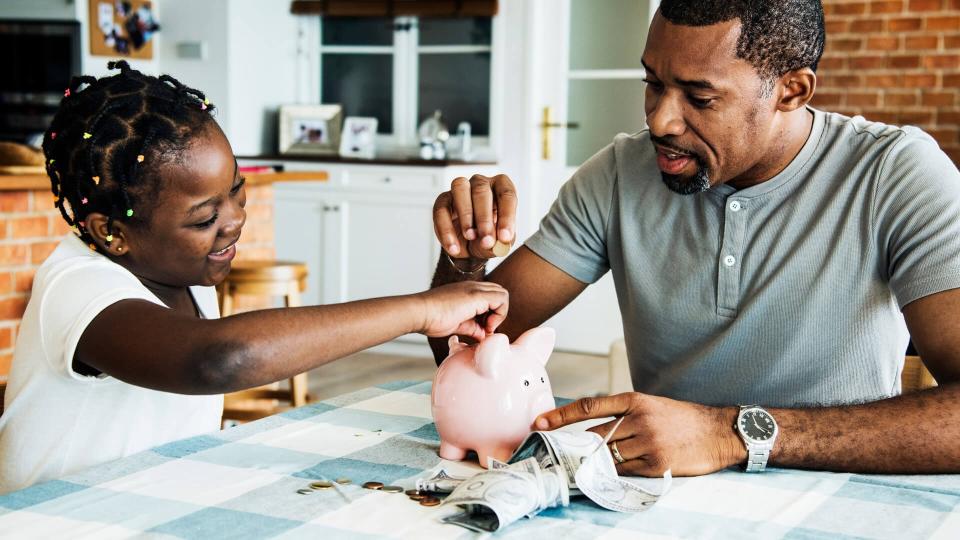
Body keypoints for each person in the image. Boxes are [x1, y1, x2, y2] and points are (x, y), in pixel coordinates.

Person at [429, 0, 960, 477]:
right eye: (653, 84)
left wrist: (731, 435)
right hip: (658, 495)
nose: (660, 120)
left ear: (791, 91)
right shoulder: (618, 173)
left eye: (700, 98)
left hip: (838, 494)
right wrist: (464, 262)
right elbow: (463, 350)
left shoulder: (895, 174)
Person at [0, 61, 509, 494]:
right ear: (112, 233)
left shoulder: (182, 274)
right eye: (204, 218)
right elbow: (218, 358)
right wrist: (419, 310)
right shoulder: (76, 284)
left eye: (237, 191)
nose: (235, 218)